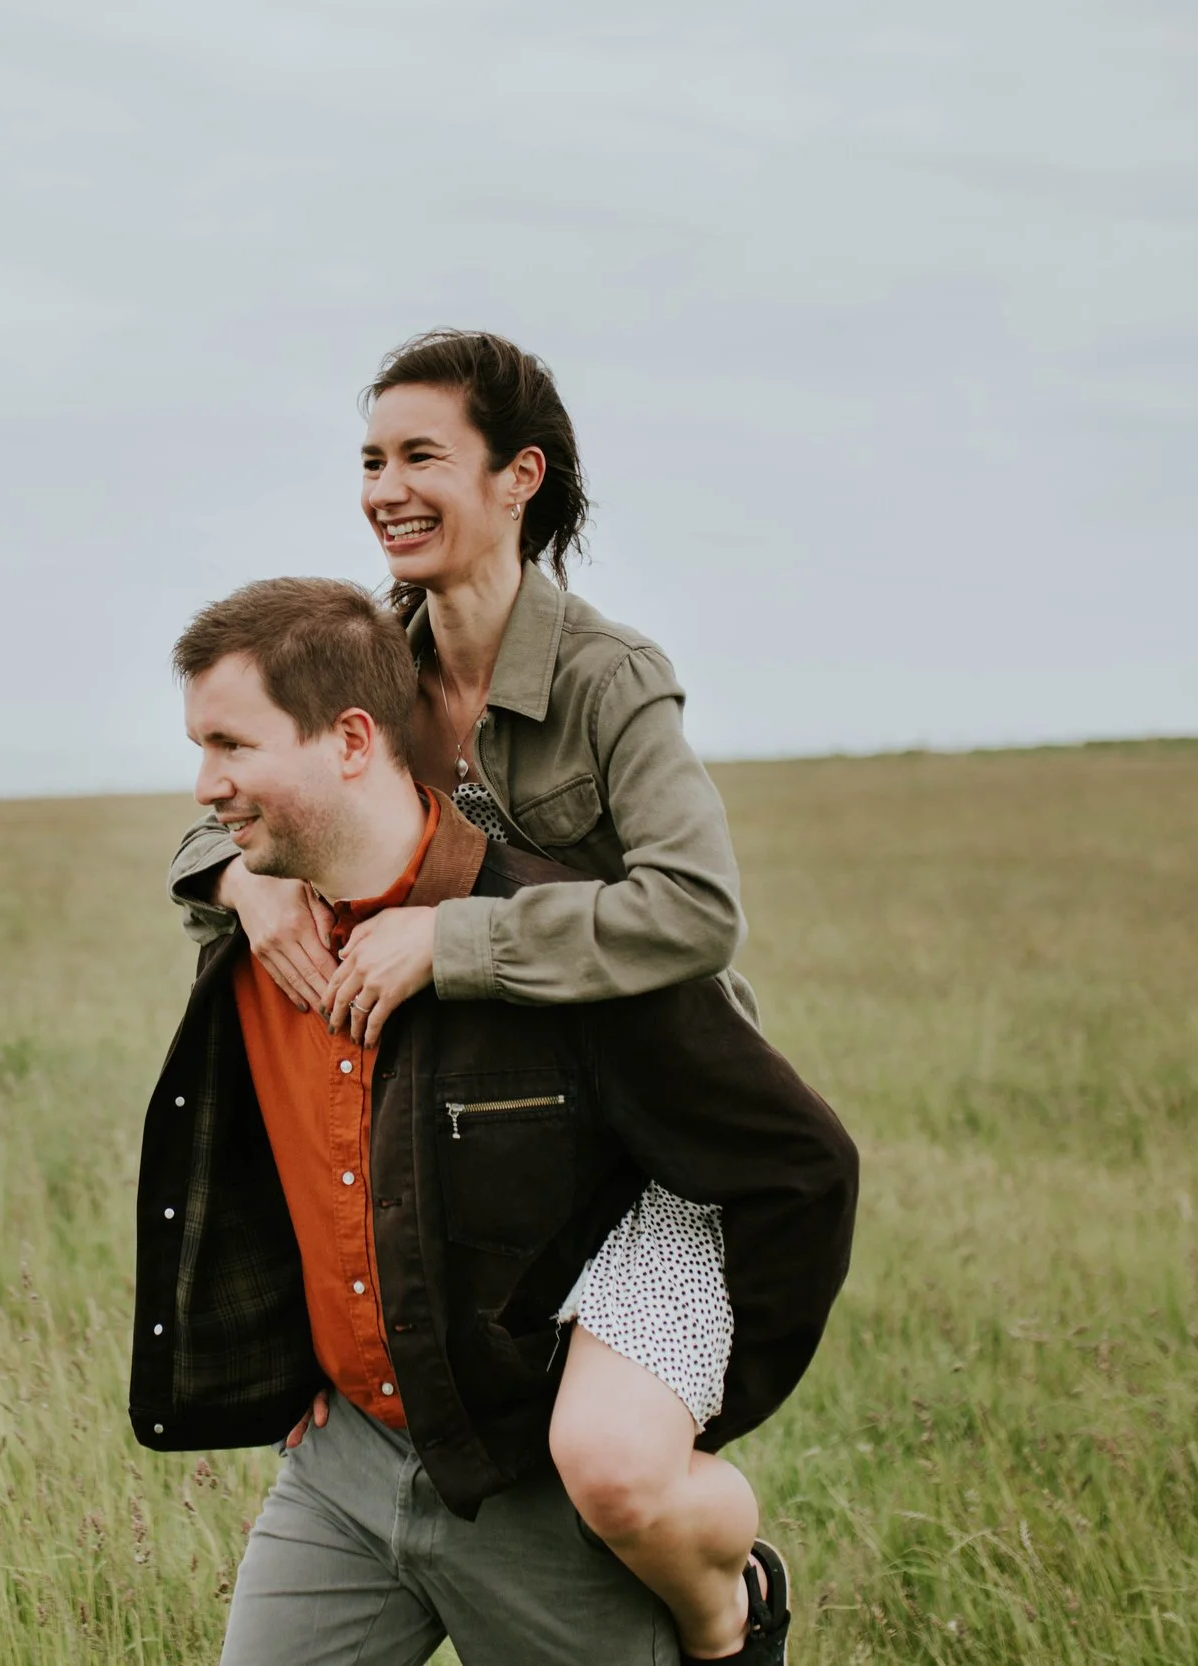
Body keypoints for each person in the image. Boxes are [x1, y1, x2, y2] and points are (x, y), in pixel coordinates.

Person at [167, 333, 771, 1657]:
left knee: (610, 1464)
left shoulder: (609, 675)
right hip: (463, 1114)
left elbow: (699, 909)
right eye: (371, 458)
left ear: (520, 476)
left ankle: (728, 1607)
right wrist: (237, 881)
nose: (384, 485)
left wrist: (457, 944)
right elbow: (248, 790)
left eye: (421, 454)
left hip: (633, 1117)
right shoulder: (367, 649)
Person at [133, 577, 857, 1666]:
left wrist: (672, 1432)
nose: (205, 785)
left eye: (231, 745)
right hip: (340, 1470)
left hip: (527, 1489)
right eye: (199, 746)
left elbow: (802, 1167)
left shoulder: (556, 944)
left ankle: (731, 1611)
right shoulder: (252, 934)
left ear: (350, 739)